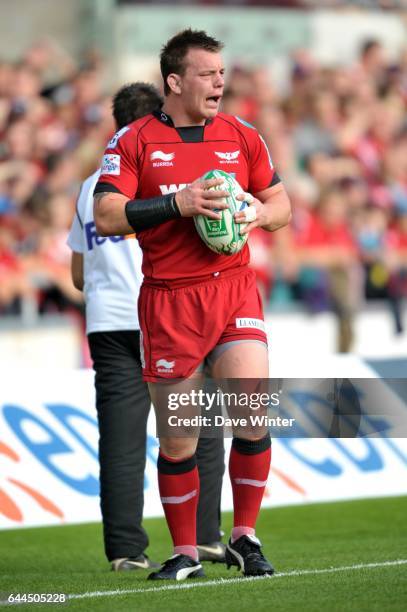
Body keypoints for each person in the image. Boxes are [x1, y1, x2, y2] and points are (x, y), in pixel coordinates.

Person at [94, 29, 291, 581]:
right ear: (174, 81)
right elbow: (107, 215)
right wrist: (178, 203)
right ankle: (185, 553)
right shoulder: (133, 141)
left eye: (222, 73)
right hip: (171, 301)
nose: (220, 82)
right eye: (207, 74)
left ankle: (246, 538)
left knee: (251, 413)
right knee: (180, 438)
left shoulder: (242, 135)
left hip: (233, 287)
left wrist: (256, 212)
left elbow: (282, 204)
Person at [68, 82, 225, 572]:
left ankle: (124, 551)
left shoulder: (89, 185)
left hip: (108, 323)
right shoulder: (165, 170)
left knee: (120, 439)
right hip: (167, 313)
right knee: (198, 426)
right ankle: (203, 537)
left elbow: (77, 272)